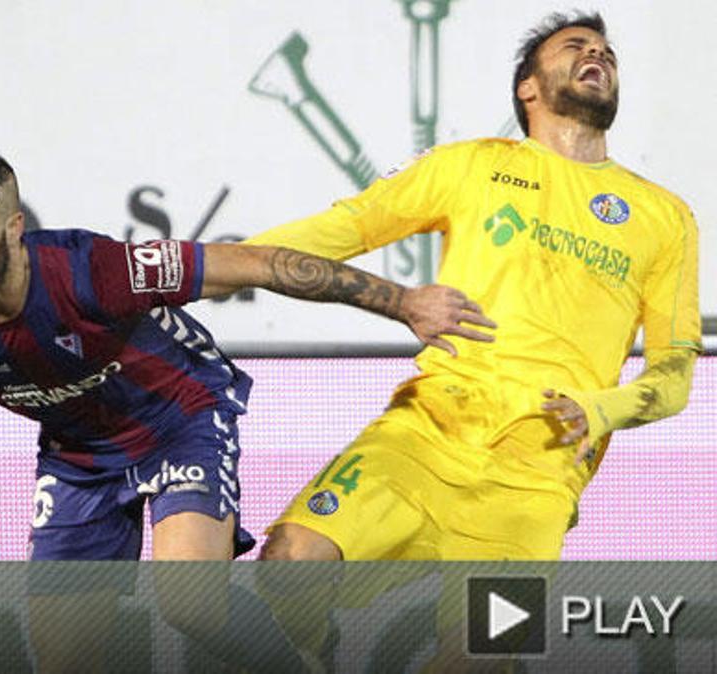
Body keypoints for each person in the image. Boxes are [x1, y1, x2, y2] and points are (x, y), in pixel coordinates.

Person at [0, 149, 492, 670]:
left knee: (190, 602)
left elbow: (258, 264)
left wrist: (402, 301)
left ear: (12, 227)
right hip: (80, 453)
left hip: (179, 416)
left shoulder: (92, 272)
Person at [249, 10, 701, 562]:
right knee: (292, 559)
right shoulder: (472, 165)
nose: (597, 54)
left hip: (539, 473)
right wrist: (208, 266)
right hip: (427, 431)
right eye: (575, 46)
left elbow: (674, 371)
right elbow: (339, 229)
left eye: (607, 52)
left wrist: (603, 408)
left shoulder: (665, 217)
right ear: (528, 88)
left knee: (483, 625)